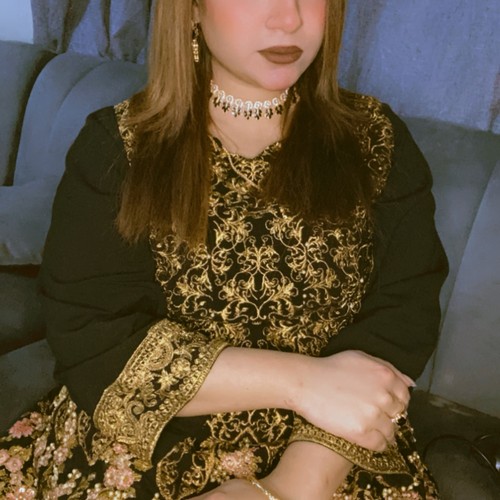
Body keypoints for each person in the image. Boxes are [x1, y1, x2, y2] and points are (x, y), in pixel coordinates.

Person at [0, 0, 447, 498]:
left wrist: (296, 483)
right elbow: (92, 339)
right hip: (140, 446)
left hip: (334, 452)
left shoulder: (376, 141)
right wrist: (305, 382)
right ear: (191, 9)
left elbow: (403, 318)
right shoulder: (118, 147)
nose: (289, 18)